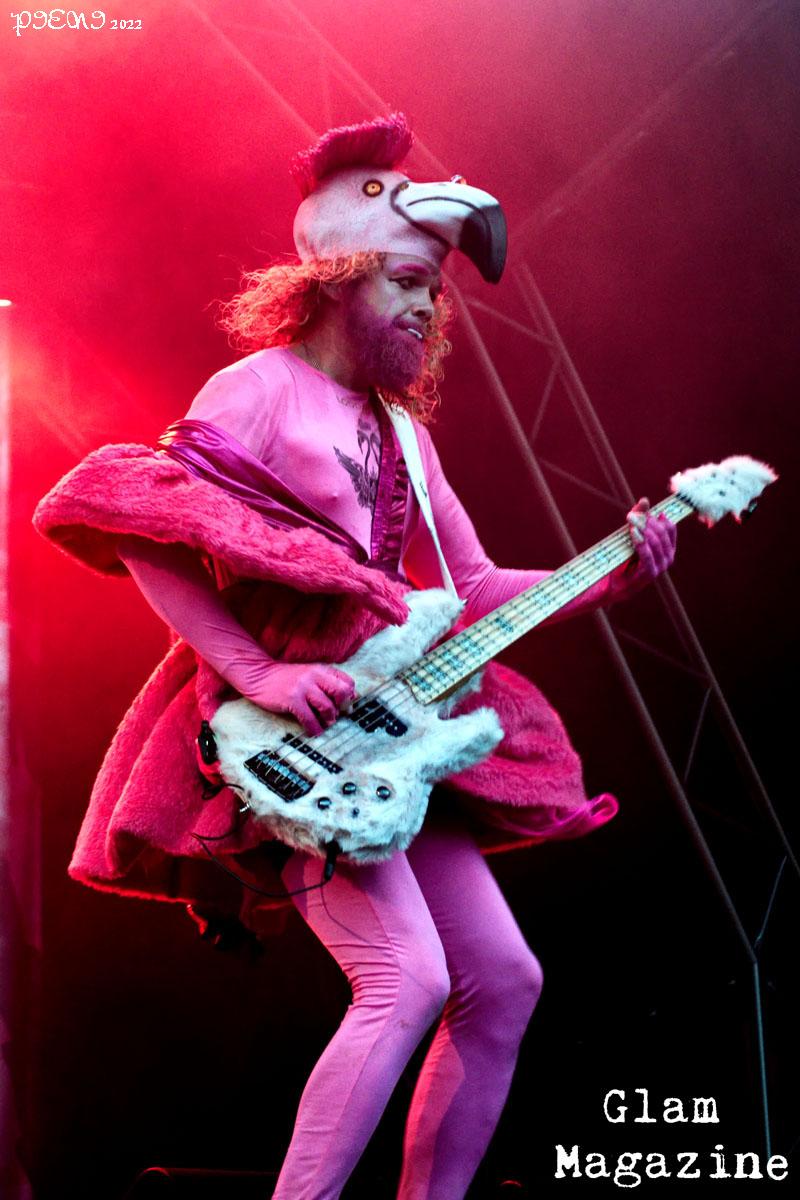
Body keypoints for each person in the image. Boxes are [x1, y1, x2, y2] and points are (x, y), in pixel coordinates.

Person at [34, 114, 676, 1199]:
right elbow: (149, 530)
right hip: (288, 739)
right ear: (338, 279)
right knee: (404, 978)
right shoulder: (257, 389)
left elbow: (472, 589)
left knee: (504, 980)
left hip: (380, 738)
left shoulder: (406, 439)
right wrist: (259, 673)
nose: (429, 309)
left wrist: (610, 571)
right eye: (410, 282)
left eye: (437, 291)